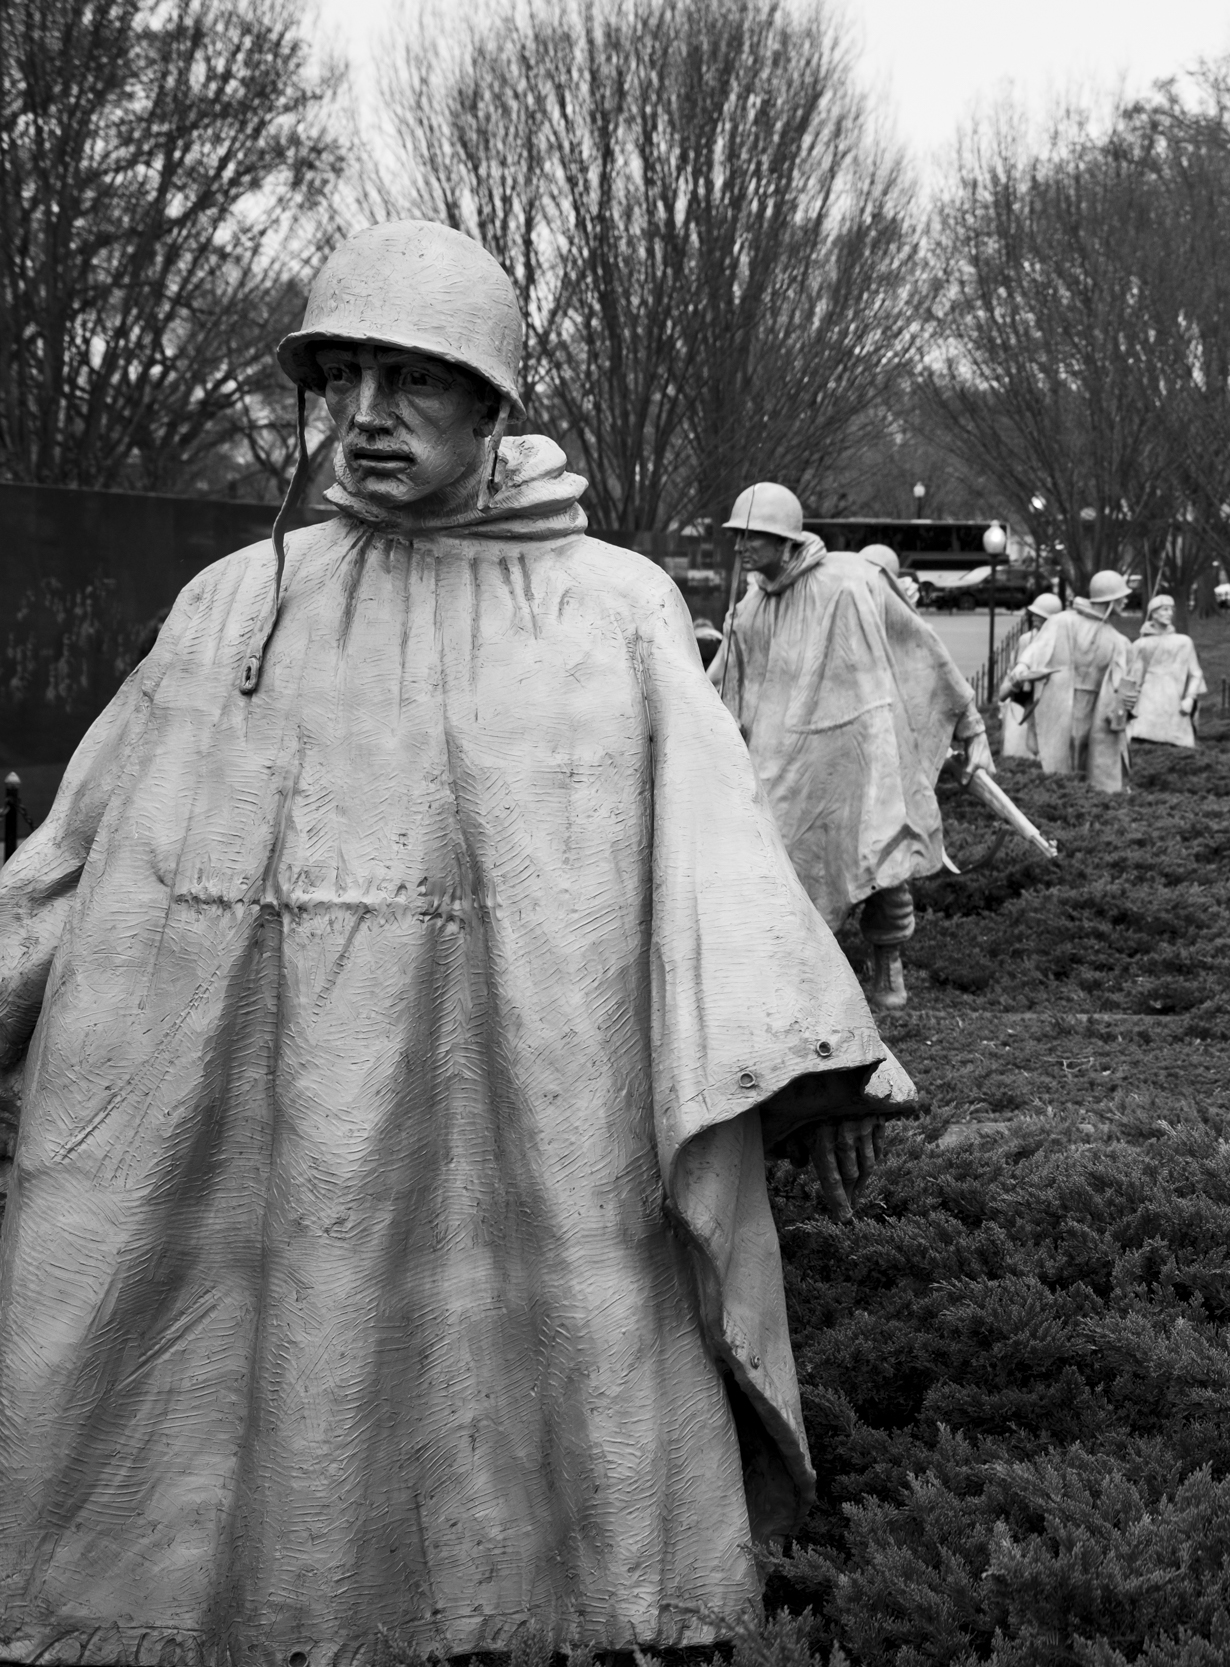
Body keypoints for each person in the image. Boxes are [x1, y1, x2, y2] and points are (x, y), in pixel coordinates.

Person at [0, 222, 909, 1660]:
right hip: (257, 1132)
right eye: (342, 376)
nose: (366, 416)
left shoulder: (609, 611)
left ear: (492, 404)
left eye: (412, 379)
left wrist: (817, 1066)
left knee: (522, 1439)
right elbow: (75, 853)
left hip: (526, 1135)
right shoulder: (241, 603)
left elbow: (715, 863)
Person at [711, 485, 989, 1011]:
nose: (740, 546)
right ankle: (805, 975)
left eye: (751, 536)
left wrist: (968, 721)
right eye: (738, 535)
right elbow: (722, 675)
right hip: (781, 765)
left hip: (860, 749)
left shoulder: (850, 581)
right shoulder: (749, 605)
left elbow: (918, 644)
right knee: (781, 865)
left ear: (786, 540)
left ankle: (888, 965)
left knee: (880, 856)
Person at [1010, 569, 1140, 792]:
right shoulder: (1063, 622)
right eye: (1122, 595)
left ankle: (1087, 800)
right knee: (1062, 756)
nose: (1126, 599)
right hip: (1063, 702)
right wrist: (1022, 667)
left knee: (1090, 759)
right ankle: (1063, 796)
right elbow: (1039, 648)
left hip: (1097, 709)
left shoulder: (1120, 642)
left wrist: (1127, 701)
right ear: (1109, 598)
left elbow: (1124, 685)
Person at [1128, 592, 1208, 748]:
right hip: (1147, 706)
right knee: (1143, 741)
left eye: (1171, 609)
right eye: (1165, 609)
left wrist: (1190, 698)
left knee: (1177, 746)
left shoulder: (1184, 642)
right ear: (1154, 613)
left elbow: (1196, 674)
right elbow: (1133, 679)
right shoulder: (1140, 645)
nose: (1170, 613)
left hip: (1175, 706)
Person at [994, 591, 1062, 763]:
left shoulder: (1060, 641)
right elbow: (1012, 670)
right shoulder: (1026, 639)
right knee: (1019, 747)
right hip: (1024, 699)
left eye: (1041, 616)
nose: (1035, 619)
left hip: (1049, 701)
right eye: (1034, 615)